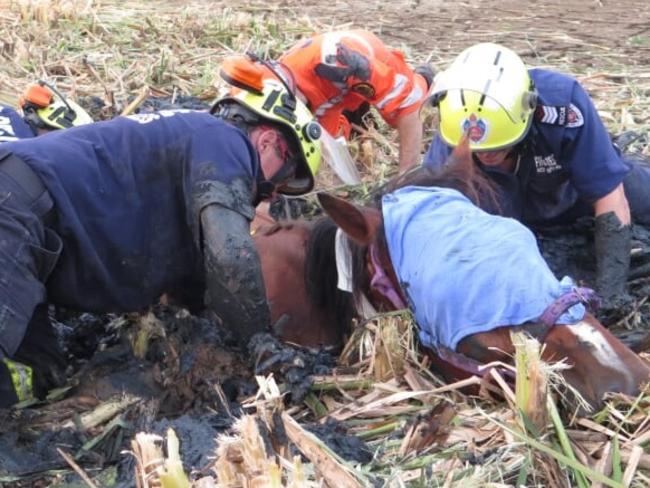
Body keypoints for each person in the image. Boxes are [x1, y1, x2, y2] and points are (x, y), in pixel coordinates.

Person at [0, 77, 322, 407]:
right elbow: (229, 256)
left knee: (34, 381)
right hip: (13, 211)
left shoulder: (185, 155)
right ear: (269, 141)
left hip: (28, 231)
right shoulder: (224, 140)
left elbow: (197, 284)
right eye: (282, 180)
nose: (273, 193)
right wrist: (260, 341)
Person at [422, 42, 650, 306]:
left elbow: (610, 195)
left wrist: (612, 296)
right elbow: (435, 222)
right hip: (506, 219)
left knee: (638, 191)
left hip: (572, 193)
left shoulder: (563, 105)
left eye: (498, 147)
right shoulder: (449, 139)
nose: (486, 155)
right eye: (478, 151)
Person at [249, 30, 432, 170]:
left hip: (361, 65)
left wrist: (406, 179)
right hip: (327, 99)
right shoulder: (256, 86)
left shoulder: (343, 62)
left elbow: (408, 107)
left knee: (397, 114)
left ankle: (425, 78)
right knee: (329, 147)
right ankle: (355, 114)